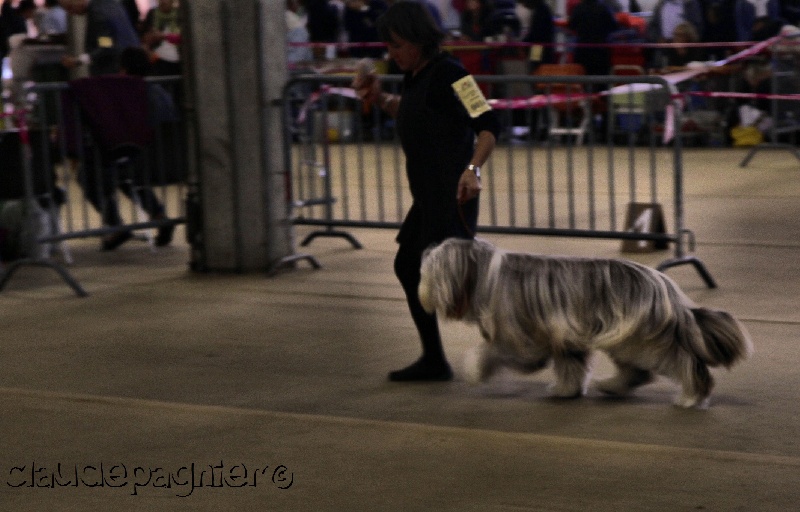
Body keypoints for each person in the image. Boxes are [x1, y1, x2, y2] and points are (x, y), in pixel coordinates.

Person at [352, 1, 500, 382]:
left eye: (398, 45)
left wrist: (472, 169)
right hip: (427, 198)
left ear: (420, 39)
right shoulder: (413, 77)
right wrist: (377, 98)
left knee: (467, 285)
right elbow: (411, 113)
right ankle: (434, 359)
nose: (392, 53)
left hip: (454, 197)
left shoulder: (453, 73)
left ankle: (517, 343)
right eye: (389, 46)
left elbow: (487, 124)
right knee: (409, 266)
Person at [58, 0, 141, 76]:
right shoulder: (108, 3)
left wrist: (79, 60)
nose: (72, 13)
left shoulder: (97, 14)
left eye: (70, 8)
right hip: (131, 60)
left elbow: (105, 46)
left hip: (113, 69)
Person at [568, 0, 619, 76]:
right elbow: (614, 26)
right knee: (601, 82)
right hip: (601, 50)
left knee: (582, 80)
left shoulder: (578, 8)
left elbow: (571, 25)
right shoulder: (604, 8)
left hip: (583, 49)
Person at [141, 0, 181, 76]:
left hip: (178, 60)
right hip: (157, 59)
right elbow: (144, 37)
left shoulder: (179, 14)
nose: (164, 1)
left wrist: (164, 36)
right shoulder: (152, 14)